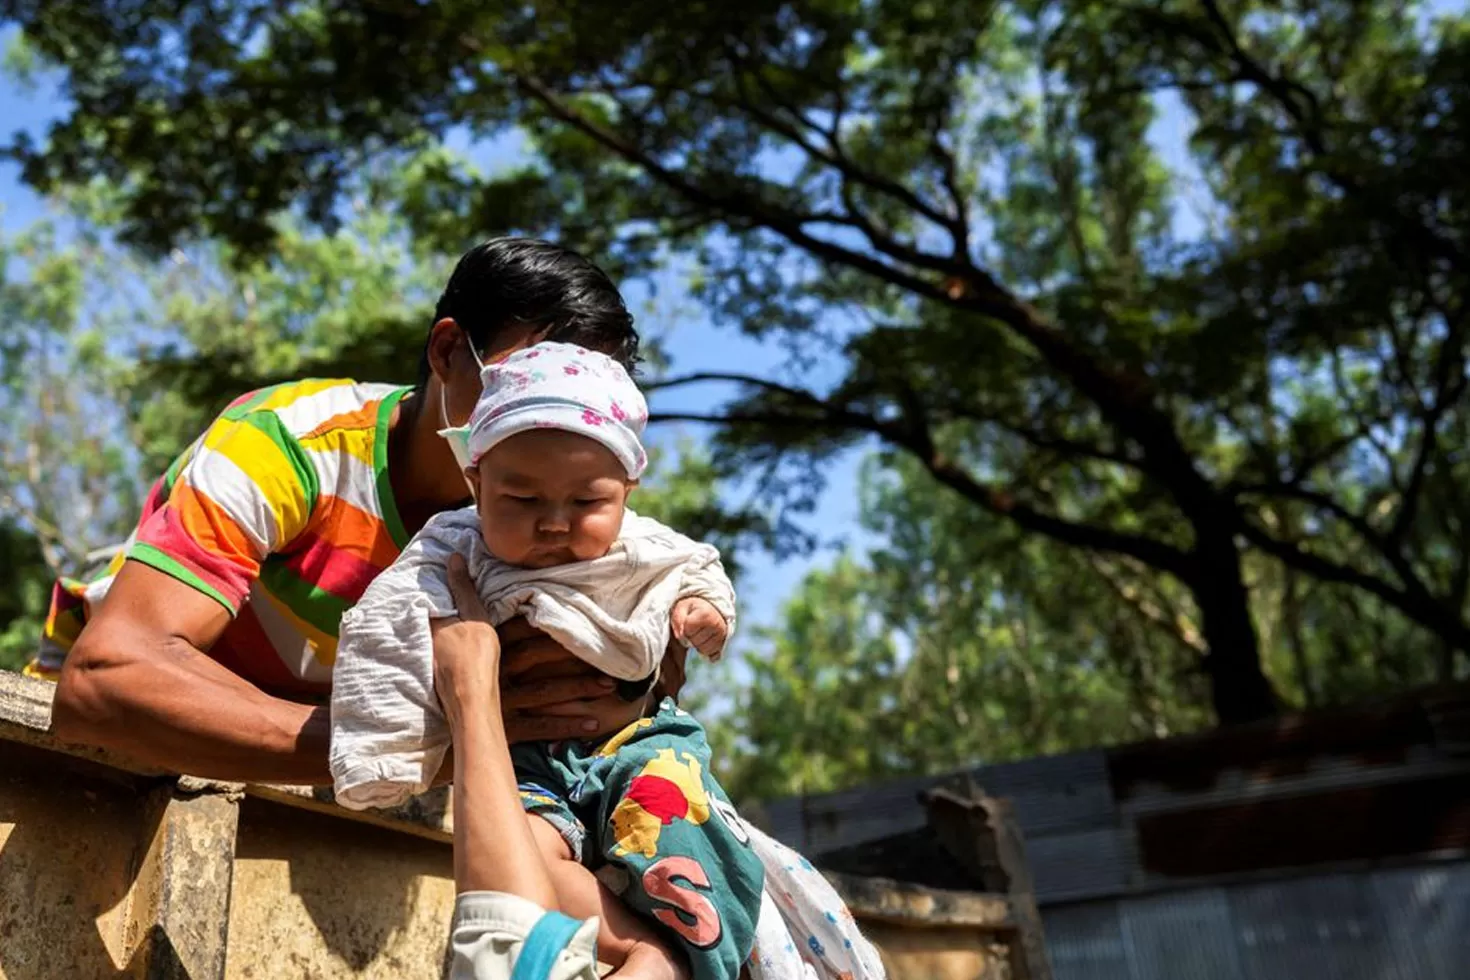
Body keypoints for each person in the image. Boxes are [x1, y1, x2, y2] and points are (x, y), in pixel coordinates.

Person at [31, 238, 681, 782]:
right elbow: (106, 679)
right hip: (75, 774)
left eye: (581, 404)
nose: (546, 418)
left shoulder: (558, 528)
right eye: (521, 381)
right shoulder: (284, 444)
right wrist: (429, 748)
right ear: (449, 351)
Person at [331, 342, 762, 980]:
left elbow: (697, 568)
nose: (555, 523)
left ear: (627, 489)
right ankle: (640, 953)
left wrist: (703, 615)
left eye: (587, 503)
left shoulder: (643, 546)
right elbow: (384, 629)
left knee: (670, 823)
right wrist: (385, 750)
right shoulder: (454, 546)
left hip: (637, 742)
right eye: (523, 502)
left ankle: (699, 955)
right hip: (525, 762)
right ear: (476, 483)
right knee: (524, 851)